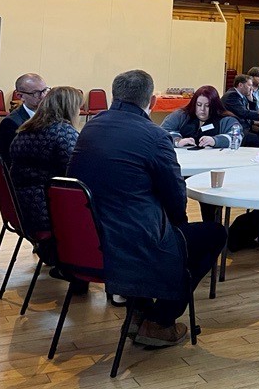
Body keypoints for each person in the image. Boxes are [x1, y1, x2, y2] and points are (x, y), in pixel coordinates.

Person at [67, 69, 227, 348]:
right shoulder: (154, 136)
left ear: (113, 94)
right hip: (133, 241)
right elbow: (176, 197)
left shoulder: (90, 128)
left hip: (88, 239)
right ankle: (161, 321)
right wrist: (178, 228)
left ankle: (140, 310)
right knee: (214, 233)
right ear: (151, 100)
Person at [8, 87, 82, 265]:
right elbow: (76, 173)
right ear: (70, 108)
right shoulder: (63, 133)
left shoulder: (24, 130)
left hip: (20, 207)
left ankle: (53, 253)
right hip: (46, 212)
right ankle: (78, 270)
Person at [161, 86, 242, 149]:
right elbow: (162, 132)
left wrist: (215, 141)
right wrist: (177, 141)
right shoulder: (180, 115)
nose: (202, 109)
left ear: (215, 106)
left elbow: (237, 138)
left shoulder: (226, 120)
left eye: (207, 106)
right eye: (199, 105)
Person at [0, 73, 48, 161]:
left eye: (45, 91)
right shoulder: (11, 123)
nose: (43, 96)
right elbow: (9, 159)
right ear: (20, 96)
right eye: (36, 93)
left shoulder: (51, 115)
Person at [221, 74, 259, 145]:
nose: (251, 88)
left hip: (245, 127)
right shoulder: (232, 95)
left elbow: (251, 112)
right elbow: (244, 113)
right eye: (249, 85)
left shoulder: (242, 96)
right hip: (236, 130)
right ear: (240, 85)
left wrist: (251, 100)